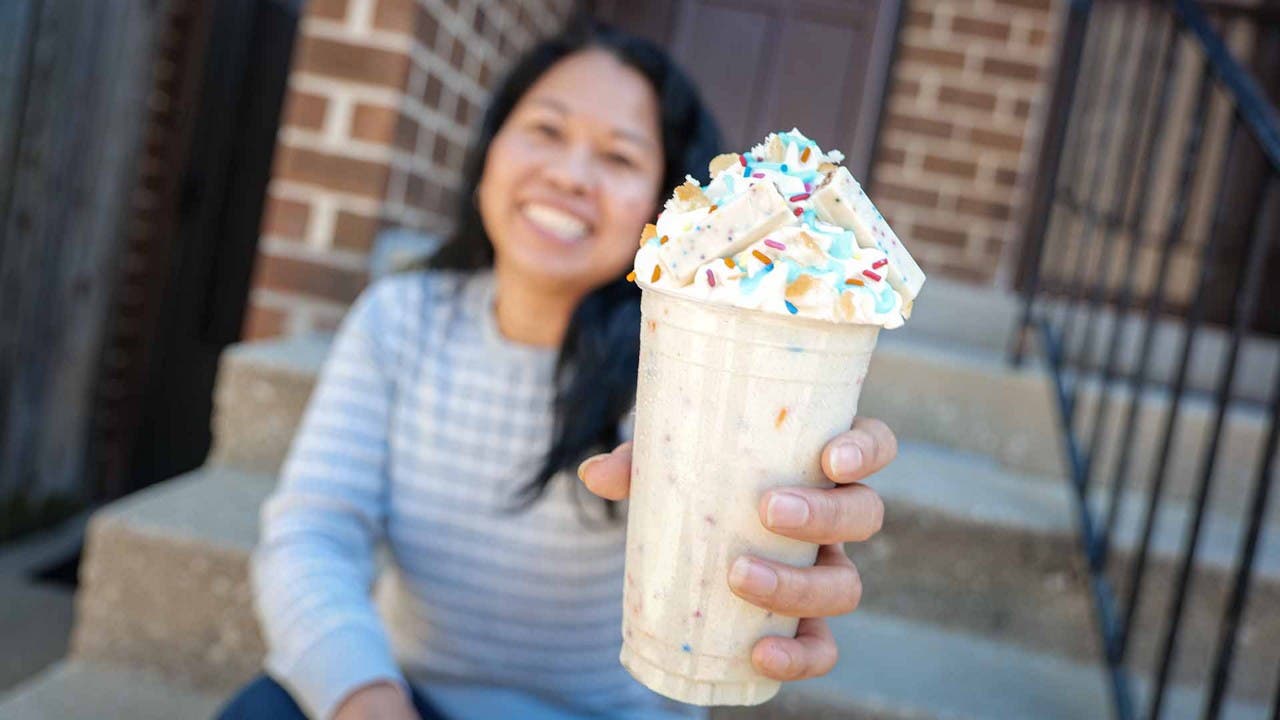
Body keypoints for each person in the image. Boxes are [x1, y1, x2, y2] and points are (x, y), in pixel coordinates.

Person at [217, 18, 896, 720]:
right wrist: (367, 699)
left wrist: (780, 513)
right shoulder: (399, 320)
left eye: (620, 158)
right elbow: (314, 535)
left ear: (666, 210)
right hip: (403, 697)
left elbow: (734, 523)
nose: (570, 176)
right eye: (545, 130)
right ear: (492, 146)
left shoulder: (689, 370)